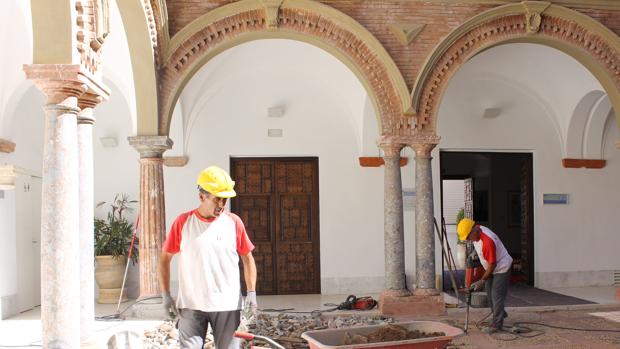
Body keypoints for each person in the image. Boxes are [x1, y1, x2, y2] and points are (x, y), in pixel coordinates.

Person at [159, 166, 257, 349]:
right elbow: (165, 258)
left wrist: (251, 293)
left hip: (227, 305)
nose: (221, 204)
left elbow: (248, 258)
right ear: (201, 197)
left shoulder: (234, 222)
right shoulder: (183, 222)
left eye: (225, 199)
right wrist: (165, 295)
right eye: (217, 199)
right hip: (191, 304)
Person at [457, 218, 512, 334]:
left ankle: (497, 324)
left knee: (496, 295)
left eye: (467, 237)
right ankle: (499, 314)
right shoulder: (478, 230)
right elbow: (482, 252)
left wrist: (481, 280)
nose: (468, 240)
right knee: (489, 292)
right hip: (491, 267)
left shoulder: (487, 241)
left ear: (473, 231)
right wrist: (474, 256)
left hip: (501, 267)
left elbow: (493, 264)